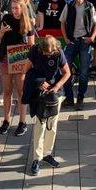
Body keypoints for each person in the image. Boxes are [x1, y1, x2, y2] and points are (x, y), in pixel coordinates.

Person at [22, 35, 70, 174]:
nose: (47, 55)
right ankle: (37, 158)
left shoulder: (59, 53)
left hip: (55, 94)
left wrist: (57, 86)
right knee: (40, 126)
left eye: (50, 54)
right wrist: (39, 81)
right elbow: (26, 70)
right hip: (39, 93)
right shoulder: (35, 50)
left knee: (52, 126)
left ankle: (47, 153)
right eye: (45, 53)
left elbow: (67, 73)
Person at [0, 0, 33, 136]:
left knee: (21, 92)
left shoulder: (27, 22)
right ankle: (6, 120)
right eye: (12, 8)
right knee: (6, 91)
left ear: (22, 8)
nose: (14, 11)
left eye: (16, 8)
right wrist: (2, 31)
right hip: (6, 58)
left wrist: (29, 63)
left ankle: (22, 121)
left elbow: (31, 45)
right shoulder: (6, 18)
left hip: (20, 59)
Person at [60, 0, 96, 108]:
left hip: (84, 41)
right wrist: (66, 38)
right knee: (65, 70)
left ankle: (81, 97)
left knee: (83, 72)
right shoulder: (69, 5)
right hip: (72, 41)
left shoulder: (89, 6)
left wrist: (91, 38)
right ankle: (69, 98)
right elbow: (62, 22)